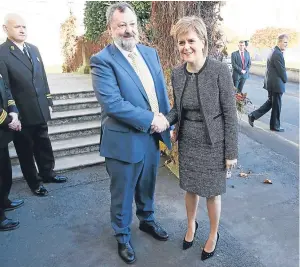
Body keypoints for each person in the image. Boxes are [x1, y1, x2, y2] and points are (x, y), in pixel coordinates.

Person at [90, 2, 171, 264]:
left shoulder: (150, 53)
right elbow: (112, 104)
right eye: (122, 25)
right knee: (123, 193)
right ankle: (123, 236)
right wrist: (151, 119)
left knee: (147, 185)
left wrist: (168, 121)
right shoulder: (102, 61)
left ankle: (147, 220)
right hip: (123, 141)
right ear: (110, 28)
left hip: (151, 137)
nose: (128, 30)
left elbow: (159, 92)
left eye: (132, 24)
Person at [165, 16, 238, 261]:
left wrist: (231, 153)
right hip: (188, 142)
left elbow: (230, 114)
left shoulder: (219, 71)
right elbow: (177, 109)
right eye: (181, 42)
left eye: (191, 40)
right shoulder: (177, 73)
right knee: (190, 189)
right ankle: (191, 225)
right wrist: (166, 120)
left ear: (203, 41)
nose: (186, 46)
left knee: (212, 193)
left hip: (213, 144)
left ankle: (214, 234)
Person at [0, 14, 67, 197]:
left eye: (24, 26)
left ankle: (47, 173)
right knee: (25, 150)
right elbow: (5, 88)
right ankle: (34, 182)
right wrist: (12, 112)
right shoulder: (2, 53)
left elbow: (42, 78)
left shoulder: (34, 49)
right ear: (6, 29)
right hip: (21, 113)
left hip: (39, 108)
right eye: (17, 27)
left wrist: (49, 100)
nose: (22, 30)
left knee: (44, 143)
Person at [248, 34, 288, 132]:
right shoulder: (277, 53)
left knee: (271, 103)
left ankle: (253, 116)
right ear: (279, 42)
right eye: (285, 42)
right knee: (276, 106)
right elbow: (281, 71)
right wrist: (285, 80)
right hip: (276, 85)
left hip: (271, 83)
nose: (286, 44)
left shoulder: (273, 51)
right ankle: (275, 126)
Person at [0, 73, 24, 231]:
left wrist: (14, 113)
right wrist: (10, 122)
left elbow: (7, 94)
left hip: (2, 135)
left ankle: (3, 201)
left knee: (5, 172)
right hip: (3, 125)